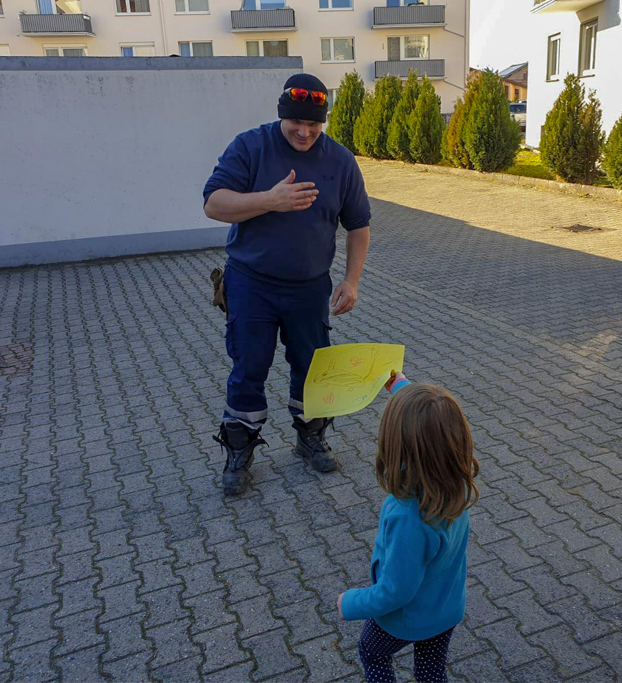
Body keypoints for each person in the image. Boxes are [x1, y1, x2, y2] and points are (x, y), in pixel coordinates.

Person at [203, 73, 371, 496]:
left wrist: (351, 281)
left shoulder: (340, 161)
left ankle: (310, 437)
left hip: (309, 288)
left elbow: (358, 225)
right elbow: (213, 203)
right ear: (282, 115)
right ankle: (239, 450)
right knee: (249, 368)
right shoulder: (251, 146)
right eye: (296, 122)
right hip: (251, 284)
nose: (304, 131)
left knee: (314, 369)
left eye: (314, 125)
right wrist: (269, 200)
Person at [337, 373, 479, 683]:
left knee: (372, 653)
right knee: (431, 672)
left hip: (404, 618)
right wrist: (401, 386)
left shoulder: (409, 516)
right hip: (445, 609)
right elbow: (428, 420)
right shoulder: (457, 482)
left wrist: (350, 602)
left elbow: (395, 591)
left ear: (397, 444)